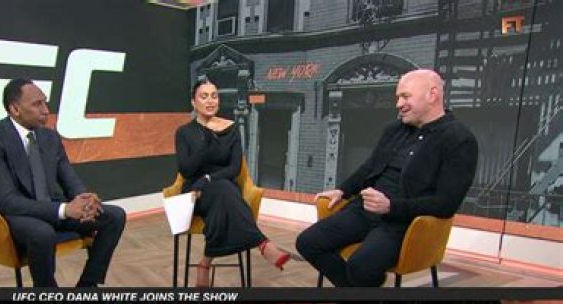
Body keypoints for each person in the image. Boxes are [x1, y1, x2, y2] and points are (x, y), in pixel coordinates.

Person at [296, 69, 478, 287]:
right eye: (398, 97)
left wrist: (391, 207)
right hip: (364, 210)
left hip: (405, 223)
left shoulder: (459, 139)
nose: (399, 104)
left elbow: (446, 204)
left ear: (432, 95)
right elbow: (370, 167)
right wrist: (343, 190)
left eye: (405, 96)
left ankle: (358, 296)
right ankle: (361, 295)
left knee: (361, 265)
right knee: (307, 242)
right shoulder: (394, 130)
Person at [0, 78, 126, 287]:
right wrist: (64, 210)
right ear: (15, 109)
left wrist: (84, 200)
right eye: (37, 104)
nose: (46, 110)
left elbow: (68, 175)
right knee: (42, 233)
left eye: (45, 103)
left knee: (114, 216)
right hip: (15, 213)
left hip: (50, 207)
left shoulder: (50, 137)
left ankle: (87, 287)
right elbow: (7, 200)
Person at [175, 79, 290, 287]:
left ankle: (205, 263)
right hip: (195, 193)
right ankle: (261, 243)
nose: (210, 101)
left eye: (214, 96)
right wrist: (205, 142)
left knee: (224, 191)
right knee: (227, 193)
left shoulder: (231, 129)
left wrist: (208, 178)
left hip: (221, 187)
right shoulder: (184, 132)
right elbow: (186, 170)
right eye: (204, 96)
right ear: (193, 102)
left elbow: (234, 168)